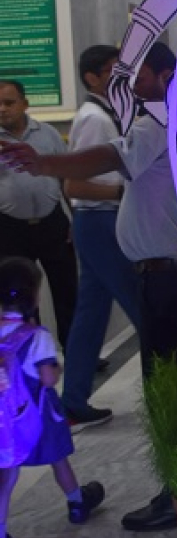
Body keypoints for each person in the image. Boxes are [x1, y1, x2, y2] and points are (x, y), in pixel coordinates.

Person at [0, 41, 177, 532]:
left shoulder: (159, 118)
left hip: (170, 277)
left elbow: (108, 156)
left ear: (166, 75)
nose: (129, 83)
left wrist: (43, 164)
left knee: (171, 393)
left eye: (137, 74)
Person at [0, 256, 105, 538]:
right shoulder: (37, 336)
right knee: (59, 461)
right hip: (39, 417)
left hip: (6, 421)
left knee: (6, 477)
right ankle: (77, 503)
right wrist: (55, 369)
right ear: (34, 296)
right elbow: (47, 378)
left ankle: (2, 537)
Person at [61, 46, 141, 428]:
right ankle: (169, 393)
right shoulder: (94, 119)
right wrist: (124, 193)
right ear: (91, 78)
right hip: (101, 221)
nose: (121, 76)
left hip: (98, 221)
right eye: (112, 70)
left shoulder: (107, 114)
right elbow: (75, 185)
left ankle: (73, 400)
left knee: (91, 315)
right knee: (142, 306)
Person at [0, 80, 78, 350]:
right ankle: (30, 351)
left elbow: (66, 175)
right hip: (10, 228)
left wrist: (76, 217)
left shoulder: (47, 134)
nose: (2, 109)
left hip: (52, 224)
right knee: (19, 294)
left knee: (66, 288)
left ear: (25, 104)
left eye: (9, 103)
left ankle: (75, 349)